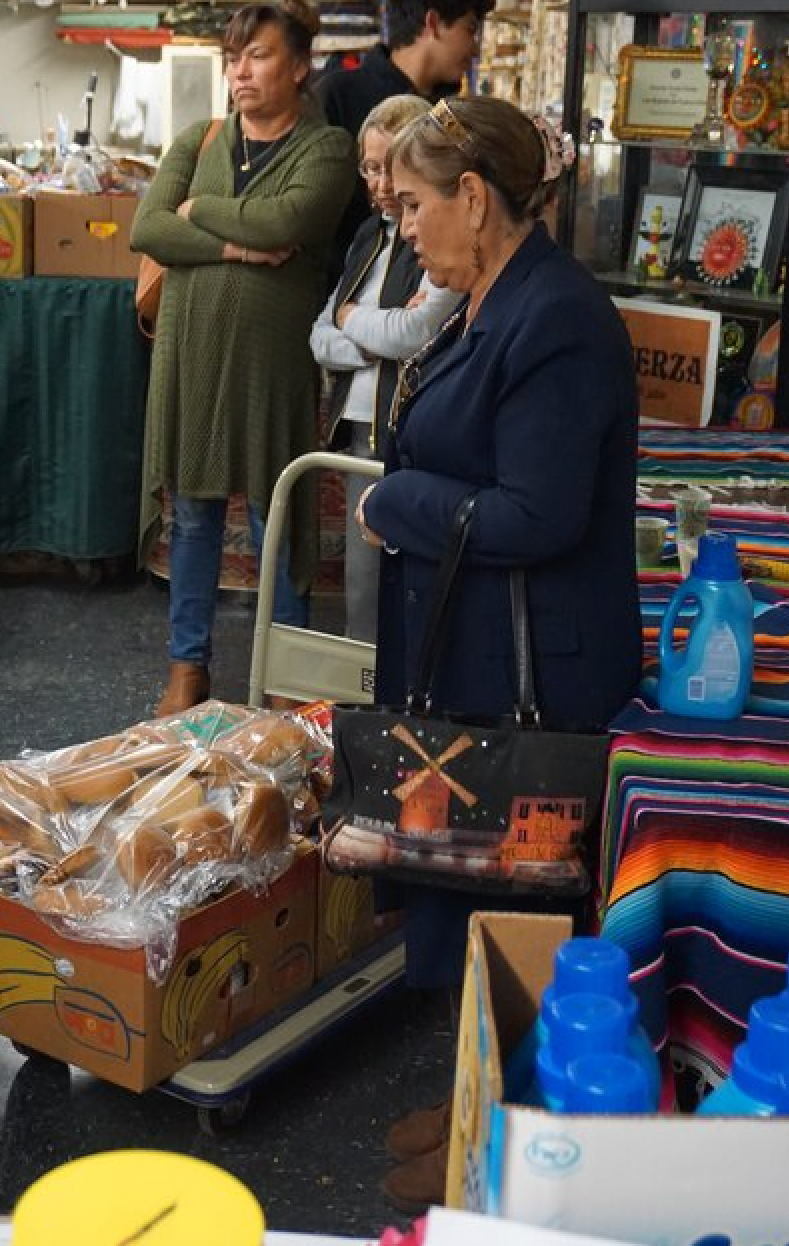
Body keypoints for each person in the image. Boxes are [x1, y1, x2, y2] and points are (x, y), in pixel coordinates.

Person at [355, 95, 642, 1211]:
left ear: (475, 197)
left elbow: (535, 511)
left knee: (507, 892)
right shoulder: (489, 295)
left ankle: (504, 1123)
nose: (405, 225)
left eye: (418, 203)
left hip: (534, 668)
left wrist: (397, 498)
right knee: (463, 881)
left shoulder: (555, 317)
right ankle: (473, 1090)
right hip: (475, 643)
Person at [132, 0, 357, 717]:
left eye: (257, 55)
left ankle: (286, 670)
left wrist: (197, 213)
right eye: (234, 57)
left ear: (298, 66)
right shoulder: (198, 139)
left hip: (272, 365)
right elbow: (147, 227)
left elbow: (289, 219)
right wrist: (234, 245)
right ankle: (187, 666)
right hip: (191, 356)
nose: (241, 71)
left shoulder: (326, 148)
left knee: (277, 512)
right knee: (192, 516)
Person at [309, 93, 456, 641]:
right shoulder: (368, 235)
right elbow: (319, 337)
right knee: (362, 580)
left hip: (411, 421)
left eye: (389, 166)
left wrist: (355, 320)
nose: (381, 183)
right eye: (369, 168)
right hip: (359, 424)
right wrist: (371, 336)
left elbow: (413, 333)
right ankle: (362, 697)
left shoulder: (435, 237)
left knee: (411, 574)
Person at [316, 0, 496, 276]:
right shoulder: (339, 93)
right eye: (469, 30)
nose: (475, 48)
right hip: (347, 283)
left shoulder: (450, 114)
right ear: (433, 23)